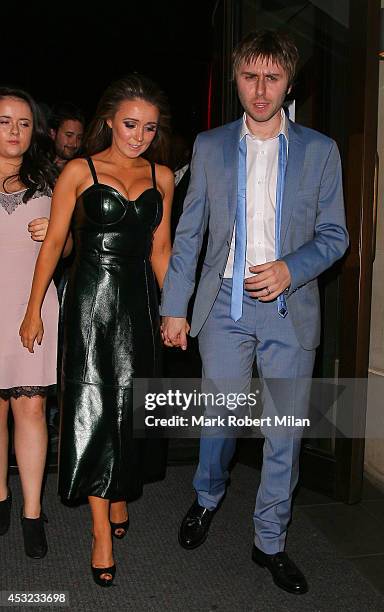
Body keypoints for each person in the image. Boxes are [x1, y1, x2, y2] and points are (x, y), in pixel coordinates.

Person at [160, 29, 349, 595]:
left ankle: (270, 539)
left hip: (290, 310)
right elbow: (189, 234)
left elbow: (335, 234)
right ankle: (208, 495)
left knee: (283, 433)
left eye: (272, 78)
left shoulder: (320, 150)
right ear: (237, 79)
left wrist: (293, 266)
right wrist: (175, 307)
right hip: (222, 308)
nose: (260, 90)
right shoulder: (211, 145)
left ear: (289, 82)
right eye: (250, 77)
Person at [19, 74, 174, 587]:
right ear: (109, 119)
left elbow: (160, 251)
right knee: (93, 408)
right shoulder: (79, 171)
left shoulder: (163, 177)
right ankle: (100, 531)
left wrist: (175, 311)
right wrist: (34, 307)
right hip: (88, 302)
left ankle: (121, 489)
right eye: (130, 124)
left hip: (139, 305)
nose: (138, 136)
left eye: (149, 128)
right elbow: (54, 243)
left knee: (132, 405)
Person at [0, 87, 62, 559]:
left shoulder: (51, 179)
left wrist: (57, 240)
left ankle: (33, 513)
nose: (14, 131)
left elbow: (74, 246)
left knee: (32, 409)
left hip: (34, 307)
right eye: (4, 121)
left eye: (23, 122)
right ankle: (0, 498)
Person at [49, 102, 85, 171]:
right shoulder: (36, 163)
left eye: (79, 138)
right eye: (69, 135)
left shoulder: (84, 167)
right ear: (53, 133)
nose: (75, 144)